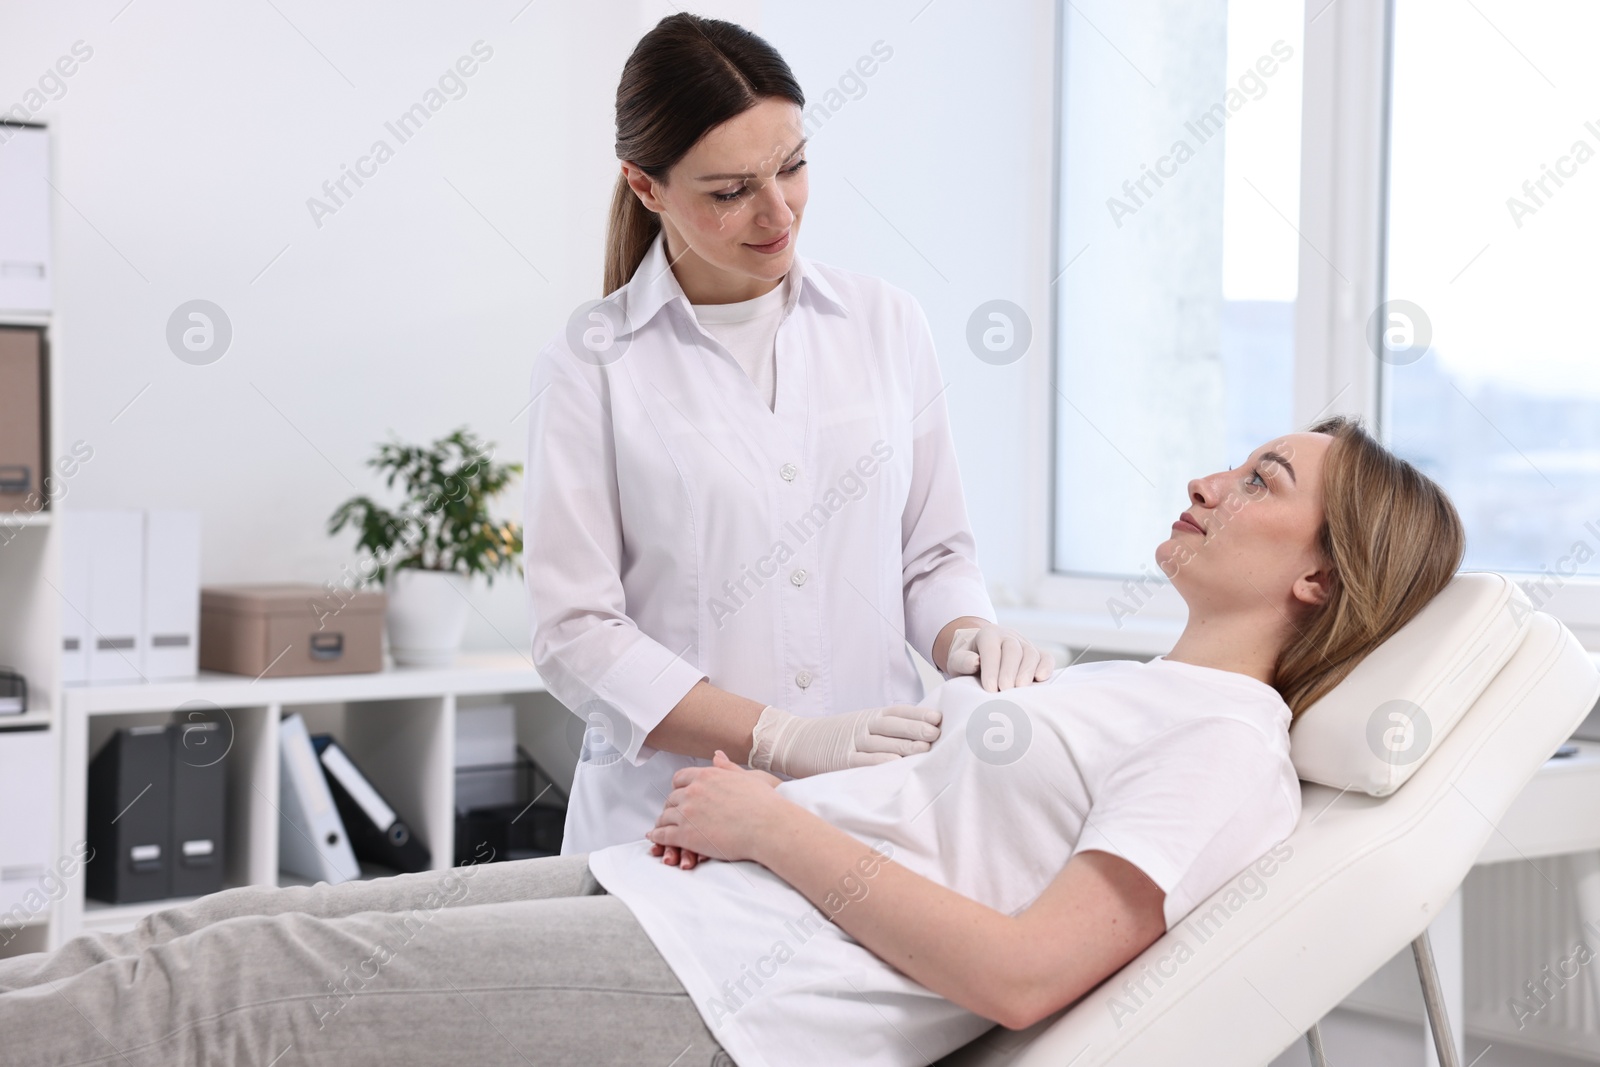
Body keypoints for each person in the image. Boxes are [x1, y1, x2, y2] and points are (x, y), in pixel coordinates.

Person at [0, 417, 1465, 1066]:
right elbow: (949, 823)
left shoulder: (1227, 742)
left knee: (229, 1000)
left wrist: (783, 823)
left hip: (737, 998)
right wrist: (806, 786)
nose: (1210, 475)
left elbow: (1025, 973)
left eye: (1262, 475)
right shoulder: (1126, 685)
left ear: (1319, 575)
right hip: (690, 897)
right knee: (204, 932)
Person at [524, 13, 1053, 855]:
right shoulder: (592, 363)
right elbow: (576, 631)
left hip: (870, 814)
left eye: (794, 167)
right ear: (647, 187)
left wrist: (968, 638)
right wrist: (777, 735)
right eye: (730, 191)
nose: (777, 212)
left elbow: (932, 556)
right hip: (666, 832)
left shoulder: (884, 323)